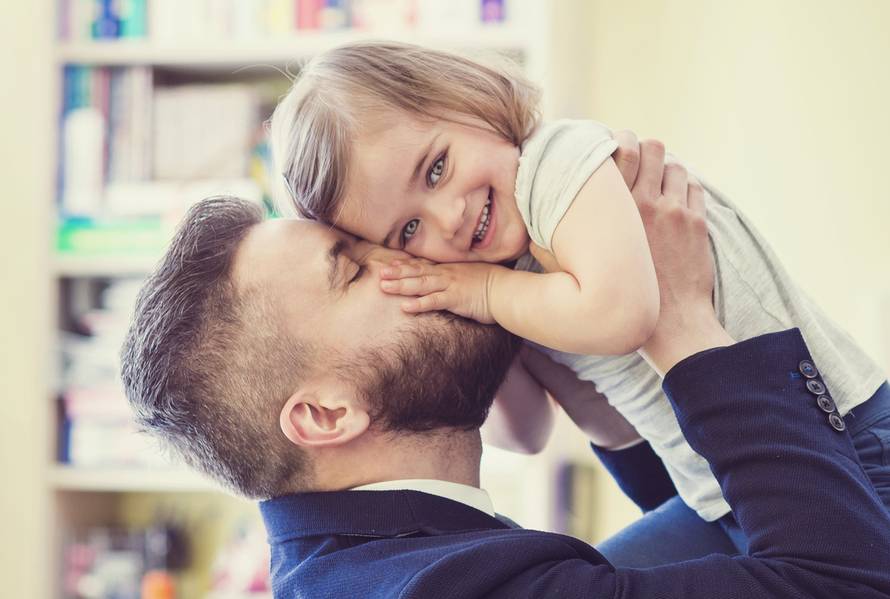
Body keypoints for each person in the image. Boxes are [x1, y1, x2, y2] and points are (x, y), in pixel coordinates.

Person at [120, 138, 890, 597]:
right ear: (326, 414)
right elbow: (843, 579)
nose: (417, 251)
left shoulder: (365, 557)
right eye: (356, 269)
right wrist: (684, 322)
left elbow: (704, 560)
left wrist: (605, 408)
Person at [268, 41, 890, 560]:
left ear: (471, 102)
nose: (449, 217)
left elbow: (623, 316)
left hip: (844, 445)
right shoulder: (500, 270)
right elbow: (527, 430)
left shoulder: (560, 166)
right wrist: (470, 323)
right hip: (727, 492)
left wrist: (487, 292)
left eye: (434, 170)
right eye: (407, 231)